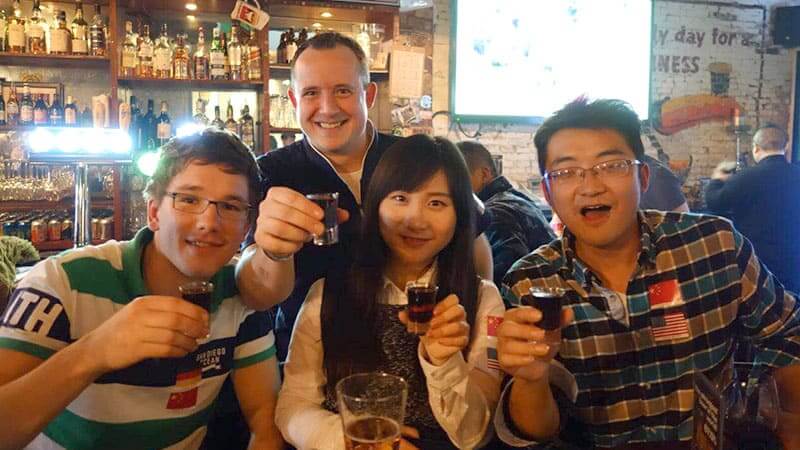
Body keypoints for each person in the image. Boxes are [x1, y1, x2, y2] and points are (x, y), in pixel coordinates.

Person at [494, 98, 800, 448]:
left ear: (642, 176)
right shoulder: (531, 282)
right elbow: (537, 434)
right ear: (547, 191)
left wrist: (791, 425)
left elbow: (788, 332)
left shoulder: (714, 244)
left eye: (610, 165)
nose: (591, 186)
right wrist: (531, 379)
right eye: (565, 172)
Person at [0, 129, 283, 450]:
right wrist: (94, 352)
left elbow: (265, 421)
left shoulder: (241, 292)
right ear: (153, 212)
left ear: (247, 226)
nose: (209, 222)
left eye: (230, 207)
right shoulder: (60, 282)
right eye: (189, 199)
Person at [234, 31, 493, 362]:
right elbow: (256, 295)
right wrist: (272, 252)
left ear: (368, 95)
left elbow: (473, 242)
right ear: (294, 100)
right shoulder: (270, 174)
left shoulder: (415, 157)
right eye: (311, 93)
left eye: (343, 91)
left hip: (426, 351)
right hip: (313, 356)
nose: (327, 109)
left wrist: (473, 322)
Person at [275, 134, 503, 450]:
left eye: (436, 203)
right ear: (374, 206)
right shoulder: (328, 293)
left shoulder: (482, 300)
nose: (415, 219)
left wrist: (444, 361)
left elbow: (475, 435)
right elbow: (292, 406)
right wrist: (348, 438)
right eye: (399, 198)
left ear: (460, 215)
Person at [705, 124, 800, 293]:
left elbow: (715, 202)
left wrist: (717, 179)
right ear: (785, 147)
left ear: (756, 148)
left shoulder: (746, 177)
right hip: (793, 255)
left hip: (756, 257)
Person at [457, 140, 555, 283]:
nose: (454, 187)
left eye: (460, 179)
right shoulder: (517, 199)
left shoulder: (494, 215)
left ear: (484, 174)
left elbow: (506, 282)